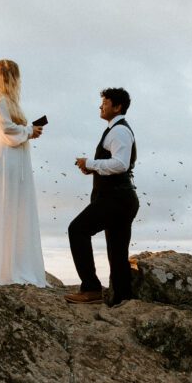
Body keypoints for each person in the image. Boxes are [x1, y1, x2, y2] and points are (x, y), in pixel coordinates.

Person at [0, 59, 47, 286]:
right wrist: (28, 130)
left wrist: (28, 132)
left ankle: (13, 263)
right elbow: (6, 130)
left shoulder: (7, 101)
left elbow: (12, 129)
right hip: (4, 159)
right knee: (3, 209)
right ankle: (2, 269)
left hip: (14, 160)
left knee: (14, 210)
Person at [65, 88, 139, 305]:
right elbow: (115, 163)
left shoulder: (119, 131)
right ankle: (122, 299)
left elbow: (120, 164)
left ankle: (91, 289)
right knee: (117, 252)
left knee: (77, 229)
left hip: (116, 199)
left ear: (117, 107)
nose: (100, 106)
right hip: (121, 199)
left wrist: (90, 163)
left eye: (105, 103)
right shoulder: (115, 129)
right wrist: (93, 169)